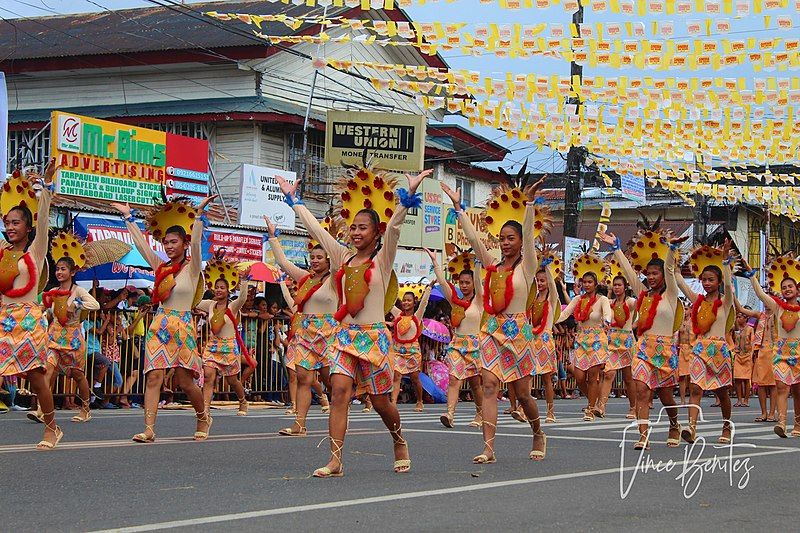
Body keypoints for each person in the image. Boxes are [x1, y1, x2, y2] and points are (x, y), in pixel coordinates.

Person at [277, 168, 430, 476]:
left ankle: (398, 439)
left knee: (381, 400)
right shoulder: (342, 257)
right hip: (344, 335)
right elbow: (318, 232)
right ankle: (335, 460)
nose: (356, 232)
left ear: (375, 232)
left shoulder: (382, 259)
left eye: (363, 228)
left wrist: (407, 197)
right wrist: (294, 200)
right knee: (339, 392)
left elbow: (395, 230)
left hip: (373, 338)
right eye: (353, 227)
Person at [441, 177, 547, 464]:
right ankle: (488, 448)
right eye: (502, 238)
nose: (504, 243)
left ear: (521, 242)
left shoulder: (527, 267)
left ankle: (538, 432)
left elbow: (527, 230)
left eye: (510, 238)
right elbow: (475, 240)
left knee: (523, 395)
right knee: (489, 386)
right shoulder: (492, 267)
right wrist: (458, 208)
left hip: (520, 333)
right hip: (492, 331)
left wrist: (529, 204)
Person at [112, 195, 217, 442]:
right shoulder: (161, 267)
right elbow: (142, 246)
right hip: (160, 325)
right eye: (166, 242)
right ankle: (149, 429)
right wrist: (128, 218)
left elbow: (197, 247)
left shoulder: (192, 269)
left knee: (185, 381)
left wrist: (199, 217)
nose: (169, 246)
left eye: (174, 242)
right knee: (154, 376)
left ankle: (203, 416)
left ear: (184, 243)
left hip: (182, 327)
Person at [599, 229, 686, 450]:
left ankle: (674, 425)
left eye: (656, 273)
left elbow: (668, 268)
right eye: (649, 273)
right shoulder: (643, 295)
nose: (653, 277)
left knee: (667, 398)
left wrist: (672, 249)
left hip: (665, 351)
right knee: (642, 391)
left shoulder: (671, 295)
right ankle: (643, 435)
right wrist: (616, 249)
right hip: (643, 348)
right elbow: (629, 274)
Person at [0, 161, 59, 448]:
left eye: (16, 222)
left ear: (27, 225)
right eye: (7, 223)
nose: (10, 227)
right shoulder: (2, 253)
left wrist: (45, 190)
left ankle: (51, 427)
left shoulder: (35, 252)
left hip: (29, 319)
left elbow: (44, 220)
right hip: (3, 319)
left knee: (36, 378)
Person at [265, 217, 334, 435]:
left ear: (329, 260)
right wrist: (273, 237)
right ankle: (300, 424)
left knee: (331, 382)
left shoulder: (335, 280)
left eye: (319, 258)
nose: (314, 261)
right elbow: (284, 264)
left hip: (329, 333)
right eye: (312, 257)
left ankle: (339, 416)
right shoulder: (305, 278)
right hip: (306, 332)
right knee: (304, 378)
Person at [675, 241, 735, 444]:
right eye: (704, 279)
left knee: (722, 392)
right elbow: (681, 283)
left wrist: (725, 260)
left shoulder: (726, 302)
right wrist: (672, 261)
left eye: (711, 280)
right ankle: (691, 428)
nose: (707, 283)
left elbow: (728, 283)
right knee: (696, 389)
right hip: (700, 349)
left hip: (719, 350)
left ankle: (726, 426)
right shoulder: (697, 301)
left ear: (718, 282)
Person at [426, 248, 484, 428]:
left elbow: (479, 282)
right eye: (461, 282)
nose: (465, 285)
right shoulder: (454, 301)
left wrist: (476, 263)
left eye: (468, 282)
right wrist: (436, 263)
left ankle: (480, 414)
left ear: (474, 284)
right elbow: (443, 283)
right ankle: (450, 413)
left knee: (475, 385)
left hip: (475, 345)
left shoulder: (479, 301)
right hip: (457, 344)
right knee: (454, 379)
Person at [744, 256, 800, 438]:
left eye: (790, 286)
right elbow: (761, 294)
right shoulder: (777, 307)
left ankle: (798, 423)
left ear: (797, 289)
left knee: (798, 392)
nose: (787, 289)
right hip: (781, 353)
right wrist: (752, 274)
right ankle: (782, 422)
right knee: (782, 387)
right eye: (784, 287)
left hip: (799, 353)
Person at [555, 267, 613, 421]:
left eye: (590, 282)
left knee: (593, 377)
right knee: (579, 377)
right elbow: (565, 314)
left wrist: (607, 320)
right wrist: (550, 321)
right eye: (584, 282)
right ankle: (594, 402)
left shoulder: (602, 300)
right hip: (581, 340)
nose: (587, 285)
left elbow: (607, 313)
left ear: (595, 284)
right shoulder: (578, 299)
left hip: (597, 340)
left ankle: (590, 408)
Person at [196, 263, 252, 417]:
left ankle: (242, 401)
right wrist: (198, 274)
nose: (219, 290)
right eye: (217, 287)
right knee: (208, 376)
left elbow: (243, 298)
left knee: (232, 380)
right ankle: (205, 410)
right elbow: (194, 299)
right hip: (212, 346)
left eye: (222, 287)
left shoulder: (233, 306)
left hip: (228, 346)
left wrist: (245, 280)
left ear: (228, 291)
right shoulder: (210, 305)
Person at [526, 261, 561, 423]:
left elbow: (553, 287)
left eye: (543, 280)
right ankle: (524, 409)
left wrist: (547, 268)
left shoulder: (551, 299)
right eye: (538, 280)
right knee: (528, 377)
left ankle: (550, 411)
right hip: (532, 340)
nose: (540, 283)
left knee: (547, 379)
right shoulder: (532, 299)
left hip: (545, 341)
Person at [390, 286, 432, 411]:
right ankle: (393, 402)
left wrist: (429, 288)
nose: (406, 302)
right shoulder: (398, 315)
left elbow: (424, 303)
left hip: (413, 351)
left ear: (414, 302)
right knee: (396, 376)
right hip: (398, 350)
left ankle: (420, 400)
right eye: (404, 300)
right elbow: (389, 303)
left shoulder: (417, 316)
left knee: (414, 378)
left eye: (409, 300)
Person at [738, 303, 777, 422]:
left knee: (773, 384)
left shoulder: (779, 314)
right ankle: (764, 413)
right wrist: (731, 291)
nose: (766, 303)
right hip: (761, 351)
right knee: (761, 384)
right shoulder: (760, 315)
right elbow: (741, 309)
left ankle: (772, 413)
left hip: (774, 351)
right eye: (764, 301)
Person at [732, 311, 754, 408]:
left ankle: (746, 400)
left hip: (747, 355)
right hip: (737, 355)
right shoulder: (735, 329)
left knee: (746, 379)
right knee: (737, 379)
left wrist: (751, 355)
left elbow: (752, 342)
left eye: (741, 317)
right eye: (738, 316)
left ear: (746, 318)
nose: (739, 318)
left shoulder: (750, 329)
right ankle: (739, 400)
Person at [676, 300, 693, 404]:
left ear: (690, 310)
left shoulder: (694, 322)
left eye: (686, 309)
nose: (685, 311)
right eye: (683, 309)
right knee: (682, 376)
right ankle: (682, 400)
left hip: (691, 349)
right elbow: (677, 337)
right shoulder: (679, 322)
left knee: (691, 376)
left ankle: (692, 399)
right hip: (682, 349)